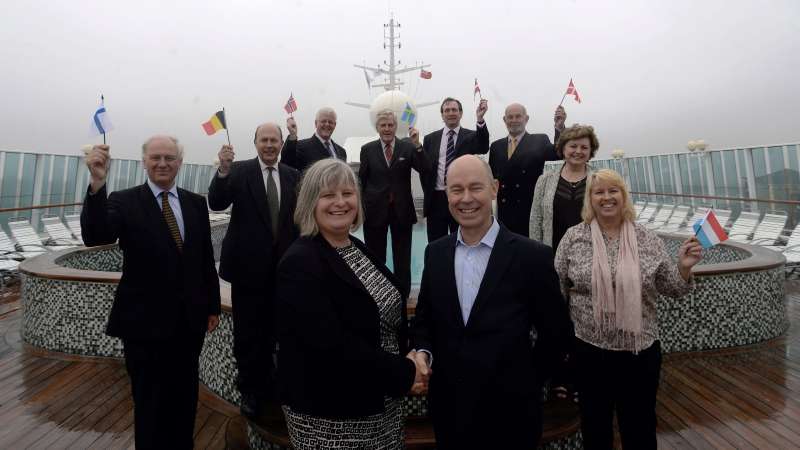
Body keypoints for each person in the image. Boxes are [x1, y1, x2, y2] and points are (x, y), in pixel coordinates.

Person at [410, 155, 573, 449]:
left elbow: (557, 332)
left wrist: (527, 380)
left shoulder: (531, 256)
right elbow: (425, 320)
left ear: (494, 188)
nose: (466, 198)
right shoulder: (435, 254)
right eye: (456, 189)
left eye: (476, 187)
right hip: (451, 409)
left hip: (512, 412)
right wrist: (423, 351)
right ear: (446, 193)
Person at [276, 158, 429, 450]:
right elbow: (330, 345)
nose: (340, 202)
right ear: (310, 202)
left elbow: (385, 315)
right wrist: (404, 372)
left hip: (377, 400)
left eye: (347, 194)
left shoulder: (353, 246)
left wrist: (413, 353)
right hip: (332, 414)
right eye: (328, 195)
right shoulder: (299, 263)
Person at [81, 136, 221, 449]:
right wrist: (96, 182)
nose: (162, 163)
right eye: (156, 157)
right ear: (144, 162)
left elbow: (203, 260)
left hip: (188, 324)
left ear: (179, 163)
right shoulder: (123, 200)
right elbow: (96, 234)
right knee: (150, 404)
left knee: (185, 400)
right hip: (144, 326)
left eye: (169, 158)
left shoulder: (195, 203)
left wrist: (211, 305)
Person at [554, 169, 703, 449]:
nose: (607, 197)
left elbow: (673, 288)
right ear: (590, 199)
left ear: (624, 196)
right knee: (595, 427)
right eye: (599, 192)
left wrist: (683, 268)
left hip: (639, 353)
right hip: (589, 351)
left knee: (640, 428)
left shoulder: (646, 238)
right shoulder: (573, 238)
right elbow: (558, 290)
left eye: (614, 191)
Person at [207, 122, 300, 417]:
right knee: (248, 335)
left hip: (283, 272)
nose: (270, 145)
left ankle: (275, 385)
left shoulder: (292, 175)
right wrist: (222, 170)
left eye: (275, 140)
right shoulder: (239, 171)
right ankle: (250, 389)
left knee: (279, 331)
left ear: (282, 143)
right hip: (248, 271)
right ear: (256, 142)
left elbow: (296, 222)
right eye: (264, 140)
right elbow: (217, 202)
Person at [359, 110, 430, 294]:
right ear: (377, 127)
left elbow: (425, 168)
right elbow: (362, 182)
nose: (387, 129)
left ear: (396, 126)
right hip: (374, 212)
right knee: (375, 258)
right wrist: (360, 210)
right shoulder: (367, 150)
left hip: (402, 211)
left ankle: (403, 297)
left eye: (390, 125)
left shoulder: (408, 148)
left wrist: (418, 145)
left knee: (403, 260)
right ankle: (378, 296)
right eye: (383, 125)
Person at [489, 103, 567, 237]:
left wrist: (560, 128)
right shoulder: (496, 146)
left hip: (530, 210)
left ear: (526, 119)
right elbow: (491, 177)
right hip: (503, 214)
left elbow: (559, 153)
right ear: (504, 120)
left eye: (518, 116)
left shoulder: (539, 140)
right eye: (510, 117)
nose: (514, 120)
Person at [421, 97, 490, 242]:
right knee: (435, 243)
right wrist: (429, 191)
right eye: (447, 110)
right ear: (442, 115)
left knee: (462, 240)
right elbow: (425, 169)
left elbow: (483, 147)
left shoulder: (472, 136)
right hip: (436, 200)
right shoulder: (430, 139)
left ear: (461, 113)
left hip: (461, 198)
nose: (451, 113)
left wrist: (480, 118)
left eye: (454, 110)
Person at [530, 123, 599, 250]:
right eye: (573, 146)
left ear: (590, 152)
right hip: (552, 254)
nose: (578, 151)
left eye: (584, 147)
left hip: (591, 256)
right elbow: (536, 220)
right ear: (563, 149)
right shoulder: (544, 181)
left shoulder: (599, 180)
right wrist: (537, 254)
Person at [280, 107, 347, 172]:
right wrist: (292, 135)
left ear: (335, 125)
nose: (327, 124)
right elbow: (286, 164)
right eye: (323, 121)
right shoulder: (301, 147)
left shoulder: (342, 152)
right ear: (316, 123)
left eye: (330, 122)